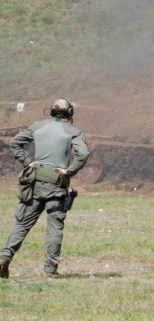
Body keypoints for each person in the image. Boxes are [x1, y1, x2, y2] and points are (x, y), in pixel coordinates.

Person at [0, 98, 90, 279]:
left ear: (51, 112)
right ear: (70, 113)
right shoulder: (74, 131)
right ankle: (50, 271)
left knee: (22, 223)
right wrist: (69, 171)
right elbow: (84, 154)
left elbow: (15, 143)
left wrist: (27, 162)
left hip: (34, 182)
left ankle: (3, 258)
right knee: (54, 227)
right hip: (56, 185)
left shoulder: (37, 126)